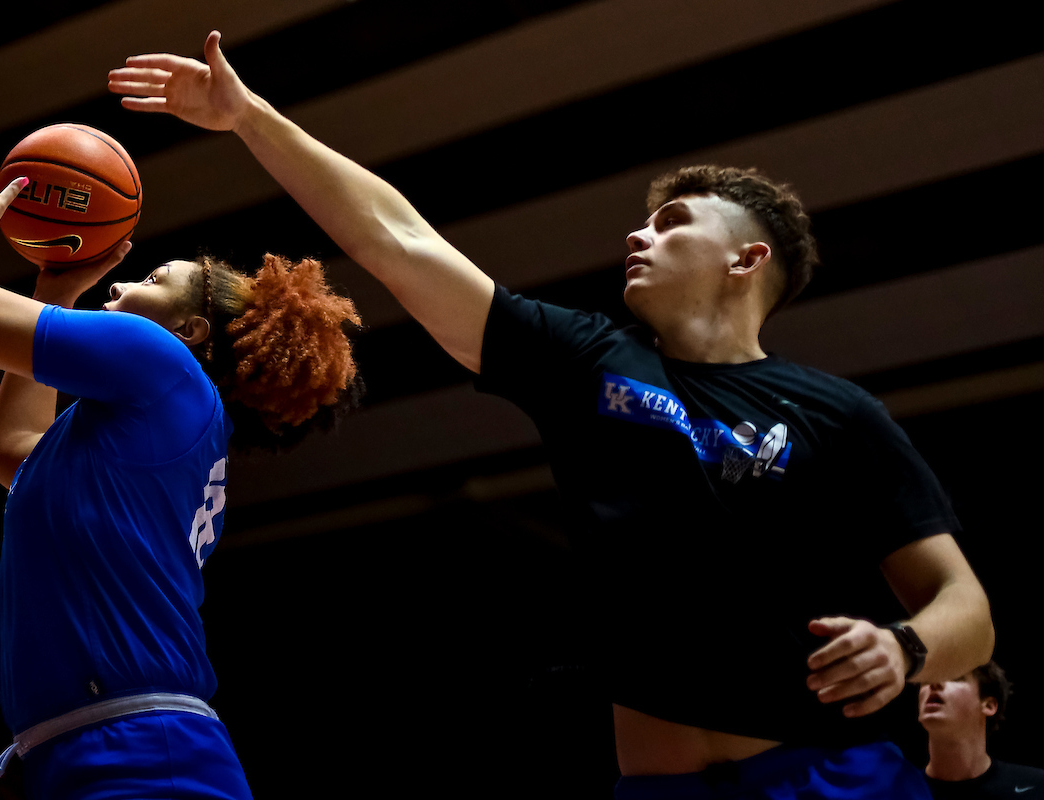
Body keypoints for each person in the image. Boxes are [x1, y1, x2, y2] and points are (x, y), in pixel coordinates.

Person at [109, 31, 996, 798]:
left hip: (831, 778)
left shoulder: (838, 412)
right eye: (640, 224)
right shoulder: (588, 358)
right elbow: (396, 239)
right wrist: (249, 116)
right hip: (658, 789)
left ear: (746, 257)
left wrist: (906, 649)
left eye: (671, 222)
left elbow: (966, 607)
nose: (637, 236)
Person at [0, 123, 361, 799]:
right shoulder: (153, 424)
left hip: (144, 752)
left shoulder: (159, 361)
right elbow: (13, 454)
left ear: (190, 333)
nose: (120, 285)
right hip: (101, 745)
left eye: (152, 279)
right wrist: (53, 294)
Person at [919, 660, 1044, 797]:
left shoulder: (1037, 786)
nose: (934, 684)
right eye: (927, 679)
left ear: (989, 706)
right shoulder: (896, 790)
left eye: (955, 678)